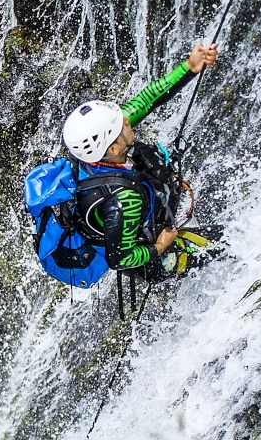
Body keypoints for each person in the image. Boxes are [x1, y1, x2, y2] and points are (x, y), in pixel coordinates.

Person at [57, 43, 221, 279]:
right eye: (119, 123)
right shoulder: (125, 199)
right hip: (150, 259)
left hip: (122, 222)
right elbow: (120, 259)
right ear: (112, 147)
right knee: (228, 242)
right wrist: (161, 246)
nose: (126, 120)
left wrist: (189, 67)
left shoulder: (94, 153)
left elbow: (146, 100)